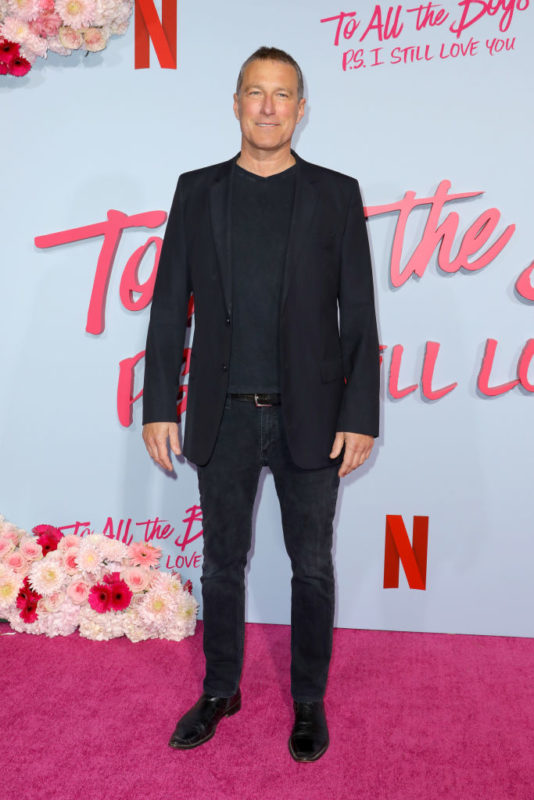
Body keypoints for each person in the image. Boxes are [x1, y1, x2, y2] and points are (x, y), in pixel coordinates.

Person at [142, 46, 380, 763]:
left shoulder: (336, 194)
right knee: (221, 562)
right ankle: (221, 689)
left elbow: (358, 314)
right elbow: (168, 307)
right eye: (256, 92)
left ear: (301, 109)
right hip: (224, 416)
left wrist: (360, 416)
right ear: (237, 103)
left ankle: (308, 699)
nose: (269, 107)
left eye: (282, 95)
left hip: (313, 416)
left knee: (312, 565)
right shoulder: (197, 191)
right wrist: (159, 405)